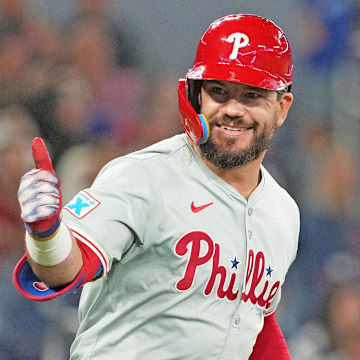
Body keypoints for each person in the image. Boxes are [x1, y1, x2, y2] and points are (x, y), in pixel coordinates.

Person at [14, 14, 298, 359]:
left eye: (252, 95)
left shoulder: (283, 211)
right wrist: (45, 233)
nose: (233, 110)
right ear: (195, 96)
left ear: (281, 108)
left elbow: (255, 324)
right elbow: (68, 267)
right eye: (219, 92)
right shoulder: (143, 176)